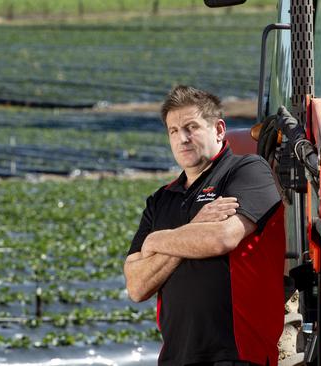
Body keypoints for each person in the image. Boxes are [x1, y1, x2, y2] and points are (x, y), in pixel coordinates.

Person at [124, 85, 285, 366]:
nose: (182, 139)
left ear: (219, 129)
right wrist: (195, 226)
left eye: (191, 127)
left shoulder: (248, 170)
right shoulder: (161, 199)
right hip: (176, 357)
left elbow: (222, 239)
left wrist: (155, 242)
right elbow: (137, 286)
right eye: (173, 131)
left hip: (236, 356)